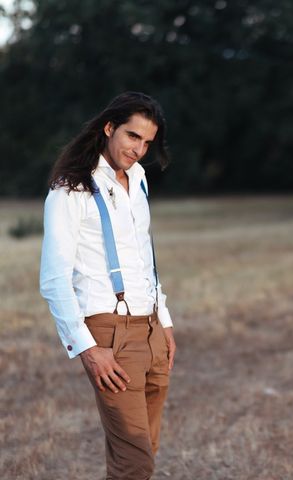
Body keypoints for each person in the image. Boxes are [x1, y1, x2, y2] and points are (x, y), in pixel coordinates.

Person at [40, 92, 176, 480]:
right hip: (109, 333)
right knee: (135, 462)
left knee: (140, 455)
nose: (139, 149)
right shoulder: (71, 189)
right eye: (133, 137)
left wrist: (163, 320)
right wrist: (87, 348)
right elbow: (53, 279)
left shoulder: (138, 179)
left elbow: (143, 256)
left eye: (147, 142)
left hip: (150, 328)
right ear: (109, 127)